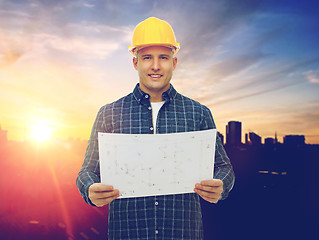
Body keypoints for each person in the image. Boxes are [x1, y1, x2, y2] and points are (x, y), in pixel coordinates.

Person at [76, 17, 235, 240]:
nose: (156, 66)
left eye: (164, 57)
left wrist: (221, 185)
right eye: (147, 57)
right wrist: (90, 190)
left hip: (182, 234)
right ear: (135, 63)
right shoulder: (109, 113)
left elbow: (224, 166)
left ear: (174, 62)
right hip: (128, 234)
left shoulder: (198, 113)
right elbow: (87, 172)